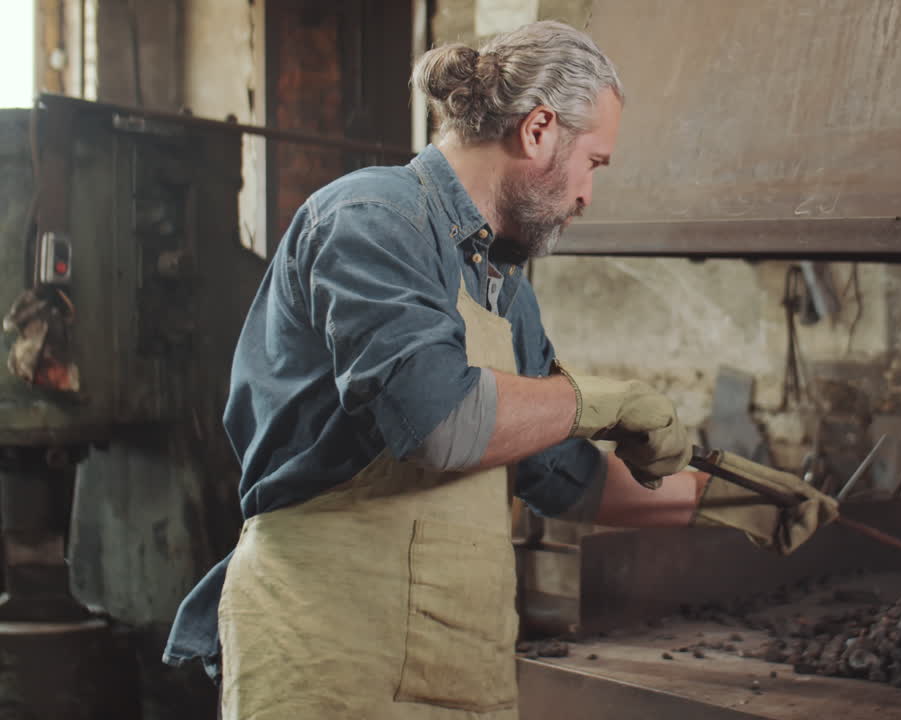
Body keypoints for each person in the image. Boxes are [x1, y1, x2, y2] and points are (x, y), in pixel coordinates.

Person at [163, 20, 837, 719]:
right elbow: (439, 421)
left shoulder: (503, 283)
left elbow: (560, 474)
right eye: (594, 162)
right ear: (539, 129)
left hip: (455, 661)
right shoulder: (373, 218)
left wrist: (734, 501)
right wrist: (602, 401)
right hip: (325, 653)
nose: (588, 194)